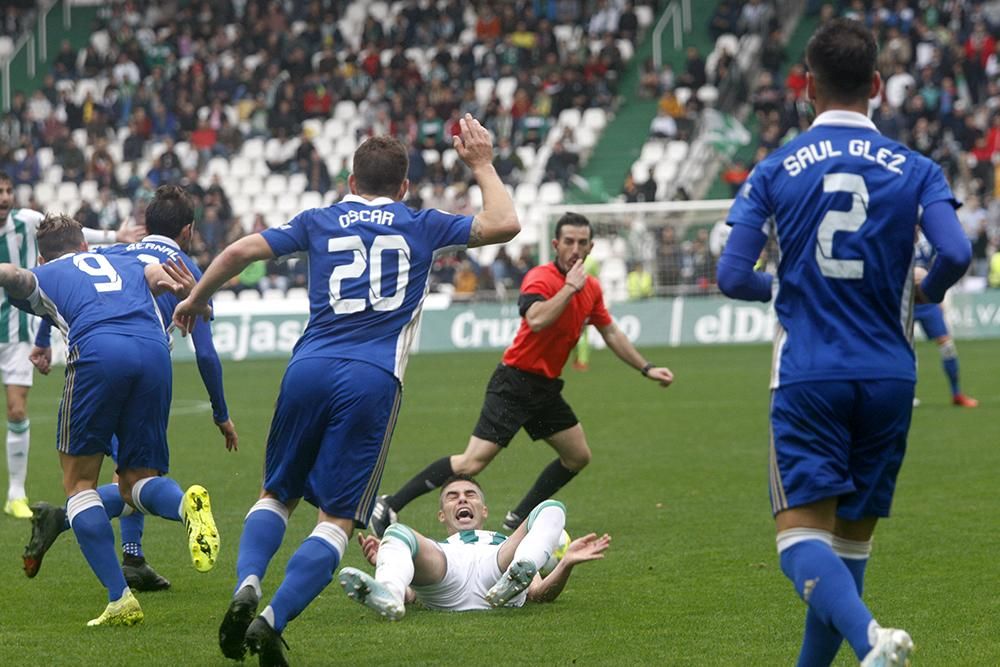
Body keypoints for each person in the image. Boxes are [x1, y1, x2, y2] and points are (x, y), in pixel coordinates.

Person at [172, 115, 519, 666]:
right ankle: (271, 619)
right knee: (336, 518)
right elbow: (504, 224)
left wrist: (195, 299)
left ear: (351, 180)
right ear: (403, 186)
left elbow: (238, 253)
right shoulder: (420, 223)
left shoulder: (317, 219)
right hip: (371, 378)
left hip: (307, 366)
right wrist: (480, 162)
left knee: (276, 494)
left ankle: (248, 584)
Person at [716, 19, 971, 667]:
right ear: (877, 86)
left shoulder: (775, 169)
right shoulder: (916, 169)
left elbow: (730, 274)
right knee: (849, 549)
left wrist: (784, 285)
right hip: (890, 375)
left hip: (809, 372)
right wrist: (929, 289)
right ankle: (860, 649)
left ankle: (870, 640)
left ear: (806, 87)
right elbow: (956, 250)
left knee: (799, 540)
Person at [371, 212, 674, 538]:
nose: (575, 248)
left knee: (577, 456)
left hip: (544, 389)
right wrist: (569, 288)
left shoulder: (593, 289)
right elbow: (537, 320)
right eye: (568, 241)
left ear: (591, 247)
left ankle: (520, 517)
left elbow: (611, 332)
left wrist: (646, 367)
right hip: (514, 383)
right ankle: (389, 503)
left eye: (582, 243)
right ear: (556, 244)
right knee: (471, 463)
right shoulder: (540, 278)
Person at [0, 214, 220, 627]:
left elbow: (16, 277)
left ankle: (120, 598)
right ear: (84, 245)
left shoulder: (47, 273)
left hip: (100, 353)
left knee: (79, 484)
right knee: (135, 481)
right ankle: (186, 510)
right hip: (155, 353)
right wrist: (181, 289)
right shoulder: (123, 257)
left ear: (44, 257)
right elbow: (158, 274)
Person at [0, 173, 143, 519]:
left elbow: (73, 238)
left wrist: (114, 237)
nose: (4, 197)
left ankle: (15, 492)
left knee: (17, 409)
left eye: (7, 190)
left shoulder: (27, 221)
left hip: (15, 331)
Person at [339, 474, 611, 619]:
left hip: (499, 572)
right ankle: (388, 591)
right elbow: (414, 597)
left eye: (470, 495)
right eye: (452, 497)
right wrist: (390, 561)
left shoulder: (507, 544)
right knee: (396, 532)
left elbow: (538, 593)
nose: (461, 500)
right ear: (442, 515)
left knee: (552, 508)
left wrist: (565, 564)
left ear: (483, 511)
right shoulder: (437, 549)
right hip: (446, 579)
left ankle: (518, 572)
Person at [912, 233, 978, 408]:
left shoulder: (929, 242)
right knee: (904, 348)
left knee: (947, 345)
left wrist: (938, 292)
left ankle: (956, 394)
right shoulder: (895, 238)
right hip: (903, 301)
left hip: (926, 301)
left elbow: (938, 265)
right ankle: (905, 394)